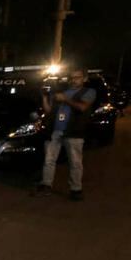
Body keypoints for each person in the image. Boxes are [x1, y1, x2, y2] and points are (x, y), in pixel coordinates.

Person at [36, 69, 96, 201]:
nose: (74, 80)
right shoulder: (60, 93)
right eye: (72, 78)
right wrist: (45, 97)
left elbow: (82, 107)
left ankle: (76, 189)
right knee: (49, 160)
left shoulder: (88, 92)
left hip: (74, 132)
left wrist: (66, 99)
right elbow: (49, 111)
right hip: (55, 131)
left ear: (84, 79)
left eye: (78, 77)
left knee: (75, 162)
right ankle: (46, 185)